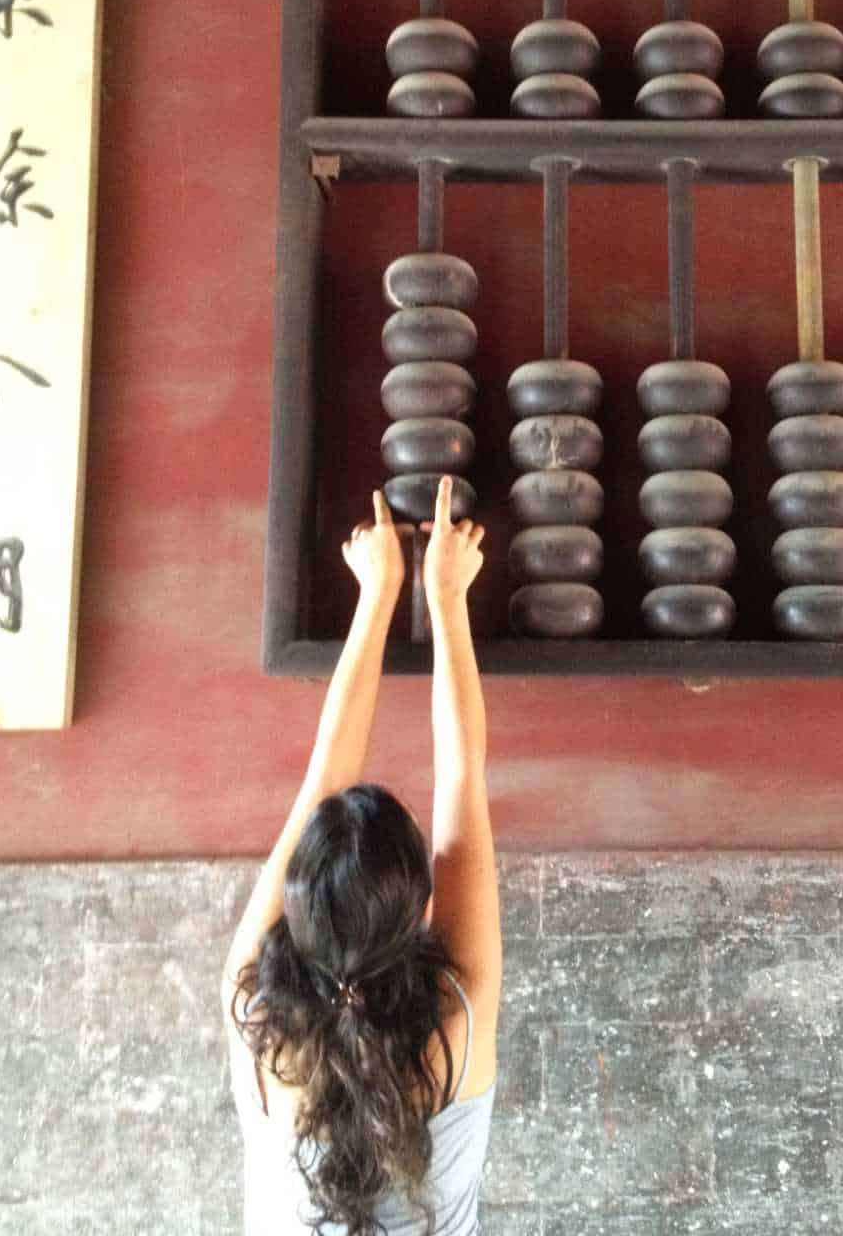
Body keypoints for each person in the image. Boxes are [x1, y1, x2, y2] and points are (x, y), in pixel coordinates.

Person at [222, 476, 500, 1236]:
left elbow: (332, 780)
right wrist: (430, 593)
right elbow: (456, 778)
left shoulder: (262, 1018)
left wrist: (388, 596)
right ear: (420, 913)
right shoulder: (253, 999)